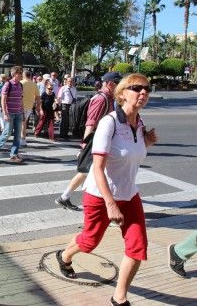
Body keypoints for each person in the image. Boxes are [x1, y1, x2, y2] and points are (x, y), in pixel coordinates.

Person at [56, 73, 157, 306]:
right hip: (100, 195)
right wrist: (110, 204)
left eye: (147, 89)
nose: (143, 92)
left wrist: (147, 142)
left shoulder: (139, 123)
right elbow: (98, 168)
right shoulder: (109, 122)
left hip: (129, 194)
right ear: (122, 93)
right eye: (137, 88)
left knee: (137, 246)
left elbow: (130, 154)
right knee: (90, 242)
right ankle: (65, 256)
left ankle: (119, 297)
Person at [56, 71, 122, 211]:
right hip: (95, 142)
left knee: (88, 171)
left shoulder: (109, 98)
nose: (120, 87)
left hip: (101, 141)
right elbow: (90, 123)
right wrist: (84, 147)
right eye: (118, 84)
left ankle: (65, 197)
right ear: (110, 84)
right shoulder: (101, 99)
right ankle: (102, 205)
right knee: (90, 171)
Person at [0, 66, 24, 163]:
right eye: (20, 73)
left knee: (18, 135)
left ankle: (13, 154)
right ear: (14, 74)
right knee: (7, 133)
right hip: (9, 113)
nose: (21, 75)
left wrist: (22, 110)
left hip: (18, 112)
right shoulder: (8, 84)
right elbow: (3, 99)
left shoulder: (20, 85)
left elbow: (21, 99)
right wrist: (5, 113)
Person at [20, 70, 41, 146]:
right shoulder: (34, 84)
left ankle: (22, 139)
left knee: (22, 123)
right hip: (29, 106)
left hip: (20, 105)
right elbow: (38, 97)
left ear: (24, 75)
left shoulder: (21, 83)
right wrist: (38, 107)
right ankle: (22, 138)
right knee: (24, 122)